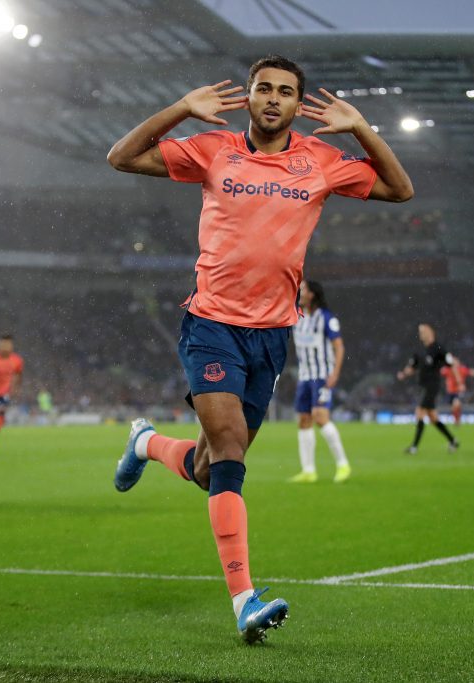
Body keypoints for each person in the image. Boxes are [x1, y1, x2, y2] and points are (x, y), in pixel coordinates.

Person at [106, 54, 413, 643]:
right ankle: (245, 599)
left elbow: (400, 190)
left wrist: (362, 128)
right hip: (211, 323)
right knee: (228, 454)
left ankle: (145, 443)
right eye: (263, 89)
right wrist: (180, 110)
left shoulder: (321, 161)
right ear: (247, 97)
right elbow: (120, 157)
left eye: (285, 92)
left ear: (299, 106)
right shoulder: (212, 149)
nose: (273, 98)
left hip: (272, 336)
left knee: (207, 468)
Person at [288, 280, 350, 484]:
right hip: (305, 376)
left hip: (322, 375)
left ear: (313, 294)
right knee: (304, 420)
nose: (300, 292)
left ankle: (342, 464)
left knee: (320, 416)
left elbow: (339, 347)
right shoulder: (297, 316)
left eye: (303, 289)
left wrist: (335, 373)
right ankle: (308, 471)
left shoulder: (326, 318)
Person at [396, 324, 461, 454]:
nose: (421, 334)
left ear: (431, 332)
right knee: (433, 418)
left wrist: (458, 380)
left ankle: (414, 447)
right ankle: (453, 440)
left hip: (432, 386)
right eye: (420, 332)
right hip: (423, 386)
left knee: (419, 412)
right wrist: (403, 374)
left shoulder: (438, 348)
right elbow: (412, 367)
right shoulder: (419, 350)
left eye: (423, 331)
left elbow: (452, 363)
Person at [440, 361, 474, 425]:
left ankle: (457, 420)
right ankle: (456, 419)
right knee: (454, 408)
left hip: (458, 392)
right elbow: (440, 371)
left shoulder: (462, 369)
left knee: (457, 404)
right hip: (450, 392)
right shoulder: (448, 370)